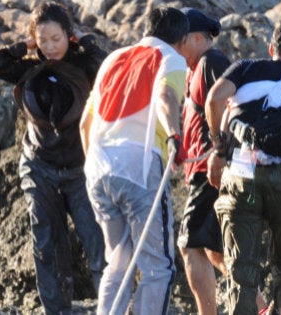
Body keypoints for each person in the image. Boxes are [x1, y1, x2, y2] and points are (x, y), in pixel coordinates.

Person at [0, 2, 106, 314]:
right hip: (39, 168)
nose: (50, 47)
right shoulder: (28, 67)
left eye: (56, 38)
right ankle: (56, 310)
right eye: (43, 40)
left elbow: (106, 66)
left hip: (81, 170)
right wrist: (21, 46)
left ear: (69, 35)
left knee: (97, 242)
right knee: (47, 245)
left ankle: (111, 307)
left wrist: (85, 41)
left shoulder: (84, 66)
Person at [205, 22, 281, 315]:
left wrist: (220, 148)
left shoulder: (246, 69)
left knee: (241, 262)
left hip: (242, 173)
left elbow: (215, 99)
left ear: (271, 49)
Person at [79, 6, 189, 315]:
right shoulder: (171, 59)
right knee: (158, 267)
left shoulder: (113, 59)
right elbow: (166, 98)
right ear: (181, 39)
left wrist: (94, 168)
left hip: (98, 169)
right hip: (139, 169)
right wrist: (174, 137)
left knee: (119, 260)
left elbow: (84, 125)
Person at [175, 7, 232, 315]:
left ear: (197, 38)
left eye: (179, 40)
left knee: (189, 244)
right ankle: (266, 309)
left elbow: (229, 107)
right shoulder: (195, 67)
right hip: (203, 167)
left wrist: (219, 156)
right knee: (214, 251)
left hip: (211, 169)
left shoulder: (213, 62)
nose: (174, 47)